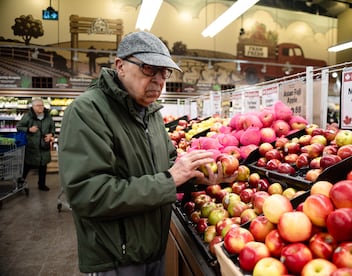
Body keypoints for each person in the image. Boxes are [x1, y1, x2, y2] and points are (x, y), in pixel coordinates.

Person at [58, 31, 237, 275]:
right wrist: (171, 179)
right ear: (120, 66)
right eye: (149, 69)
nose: (159, 80)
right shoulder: (87, 112)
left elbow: (168, 165)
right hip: (117, 258)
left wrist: (198, 178)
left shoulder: (150, 113)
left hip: (154, 248)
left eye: (165, 73)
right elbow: (88, 194)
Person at [16, 98, 55, 191]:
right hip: (31, 146)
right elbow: (19, 127)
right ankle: (20, 183)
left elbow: (52, 127)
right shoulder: (28, 116)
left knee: (43, 165)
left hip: (44, 145)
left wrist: (51, 134)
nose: (41, 107)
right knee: (27, 165)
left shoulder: (48, 116)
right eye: (38, 105)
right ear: (33, 107)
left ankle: (41, 184)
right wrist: (29, 129)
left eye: (42, 105)